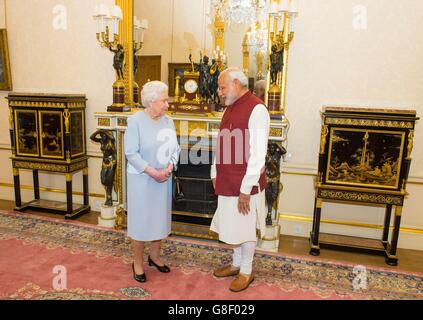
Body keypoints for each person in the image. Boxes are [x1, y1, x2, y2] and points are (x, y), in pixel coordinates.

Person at [210, 67, 270, 292]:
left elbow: (258, 154)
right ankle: (236, 264)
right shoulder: (229, 107)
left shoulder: (257, 109)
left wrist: (246, 189)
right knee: (231, 226)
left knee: (244, 228)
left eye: (222, 87)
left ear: (237, 84)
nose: (219, 92)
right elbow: (221, 143)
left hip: (245, 183)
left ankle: (246, 270)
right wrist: (214, 173)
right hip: (226, 180)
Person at [124, 80, 180, 283]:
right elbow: (131, 153)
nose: (167, 105)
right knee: (140, 222)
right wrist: (152, 172)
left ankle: (154, 256)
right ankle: (137, 262)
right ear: (151, 101)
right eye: (164, 100)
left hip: (163, 178)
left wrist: (170, 166)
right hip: (142, 180)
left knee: (159, 219)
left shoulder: (168, 121)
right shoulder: (135, 121)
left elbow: (175, 149)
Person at [90, 130, 117, 206]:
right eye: (102, 135)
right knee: (103, 180)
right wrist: (98, 131)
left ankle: (109, 198)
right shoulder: (102, 141)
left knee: (109, 180)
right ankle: (109, 197)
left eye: (104, 135)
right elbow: (92, 137)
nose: (102, 137)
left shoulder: (111, 141)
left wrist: (104, 132)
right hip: (105, 161)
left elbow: (111, 137)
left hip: (112, 161)